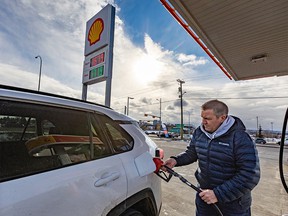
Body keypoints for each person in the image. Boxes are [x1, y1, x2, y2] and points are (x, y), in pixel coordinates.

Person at [163, 99, 260, 216]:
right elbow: (192, 152)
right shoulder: (200, 132)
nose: (203, 122)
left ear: (222, 118)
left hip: (233, 203)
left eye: (207, 118)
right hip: (204, 197)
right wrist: (175, 160)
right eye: (202, 117)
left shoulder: (240, 137)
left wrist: (218, 194)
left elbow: (250, 174)